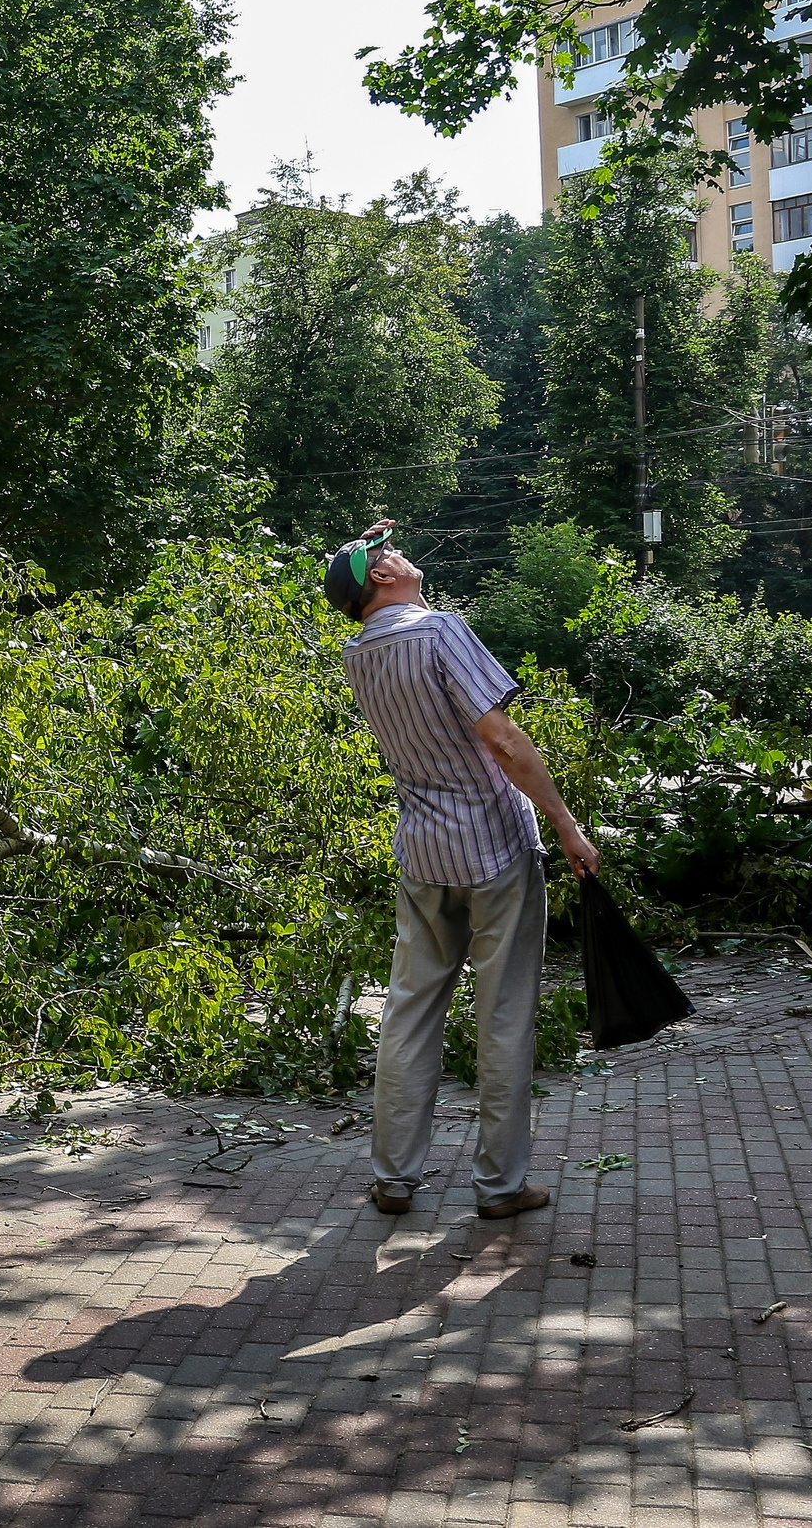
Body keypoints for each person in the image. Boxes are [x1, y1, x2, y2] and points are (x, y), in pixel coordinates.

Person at [326, 521, 600, 1222]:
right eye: (388, 553)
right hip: (493, 846)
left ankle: (393, 1177)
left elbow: (356, 579)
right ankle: (501, 1187)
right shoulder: (440, 631)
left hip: (422, 851)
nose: (401, 553)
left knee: (410, 1010)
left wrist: (358, 554)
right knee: (504, 1013)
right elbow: (503, 739)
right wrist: (567, 824)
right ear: (382, 579)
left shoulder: (359, 653)